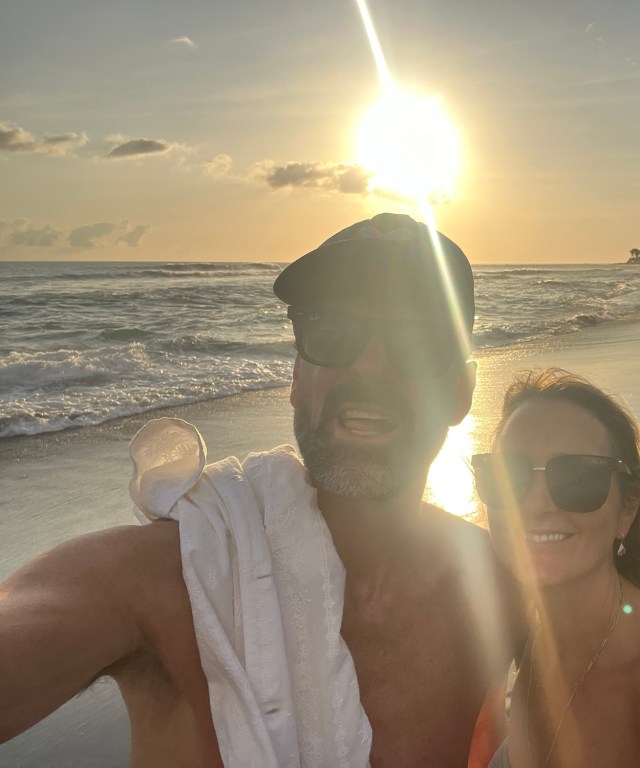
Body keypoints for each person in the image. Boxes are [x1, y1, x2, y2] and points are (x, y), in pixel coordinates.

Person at [0, 213, 519, 767]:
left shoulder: (500, 585)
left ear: (461, 391)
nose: (368, 367)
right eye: (333, 331)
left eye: (417, 342)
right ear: (296, 378)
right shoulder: (172, 579)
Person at [468, 369, 640, 768]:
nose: (536, 505)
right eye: (509, 475)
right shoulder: (529, 620)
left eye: (578, 477)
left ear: (627, 509)